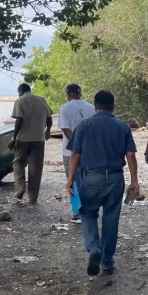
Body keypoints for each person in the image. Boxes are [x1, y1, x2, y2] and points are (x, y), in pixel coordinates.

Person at [65, 90, 139, 277]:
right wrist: (134, 180)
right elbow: (130, 155)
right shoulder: (122, 126)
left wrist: (71, 178)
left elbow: (75, 154)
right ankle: (107, 262)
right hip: (115, 178)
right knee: (111, 218)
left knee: (87, 213)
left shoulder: (84, 125)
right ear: (113, 107)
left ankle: (94, 249)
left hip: (91, 178)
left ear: (95, 106)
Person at [10, 83, 53, 204]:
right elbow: (49, 118)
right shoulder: (41, 100)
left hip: (23, 139)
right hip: (39, 139)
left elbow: (19, 120)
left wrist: (14, 137)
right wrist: (47, 131)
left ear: (21, 91)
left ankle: (20, 188)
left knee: (18, 162)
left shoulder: (20, 101)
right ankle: (33, 197)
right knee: (36, 167)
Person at [58, 84, 95, 222]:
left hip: (69, 152)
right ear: (80, 93)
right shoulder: (91, 108)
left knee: (72, 180)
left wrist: (76, 146)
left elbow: (66, 130)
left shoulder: (65, 108)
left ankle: (77, 212)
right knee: (87, 179)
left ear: (68, 94)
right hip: (88, 151)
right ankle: (88, 208)